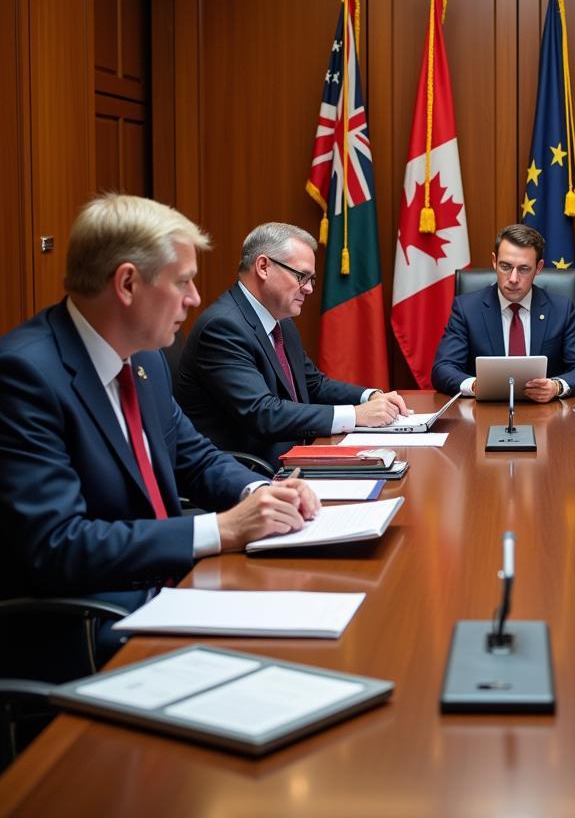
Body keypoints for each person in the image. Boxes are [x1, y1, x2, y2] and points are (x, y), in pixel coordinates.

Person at [0, 195, 319, 674]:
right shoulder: (27, 374)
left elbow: (195, 456)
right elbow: (59, 545)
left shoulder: (146, 358)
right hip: (96, 625)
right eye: (183, 282)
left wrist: (263, 492)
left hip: (174, 593)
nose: (194, 299)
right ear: (127, 283)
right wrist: (223, 528)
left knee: (310, 624)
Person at [177, 222, 408, 468]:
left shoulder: (279, 320)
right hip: (252, 472)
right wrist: (355, 415)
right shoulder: (222, 327)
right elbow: (262, 413)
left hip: (294, 460)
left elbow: (313, 383)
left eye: (312, 279)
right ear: (263, 267)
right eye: (301, 276)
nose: (308, 289)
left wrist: (368, 396)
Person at [431, 224, 575, 401]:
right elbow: (443, 369)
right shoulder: (467, 308)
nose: (513, 279)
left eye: (523, 269)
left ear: (539, 267)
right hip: (483, 414)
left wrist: (556, 386)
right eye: (505, 266)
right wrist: (474, 385)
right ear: (494, 261)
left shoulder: (561, 309)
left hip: (546, 415)